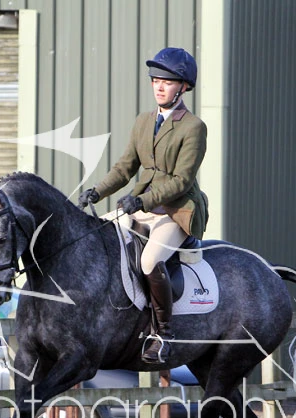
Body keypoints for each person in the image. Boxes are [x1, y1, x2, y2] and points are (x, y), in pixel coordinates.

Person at [79, 47, 208, 364]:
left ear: (183, 87)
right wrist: (96, 191)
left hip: (176, 211)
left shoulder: (193, 127)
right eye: (155, 80)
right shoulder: (143, 121)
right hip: (141, 206)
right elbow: (125, 169)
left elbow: (181, 180)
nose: (159, 87)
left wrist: (141, 201)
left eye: (167, 81)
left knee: (150, 261)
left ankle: (163, 335)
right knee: (97, 238)